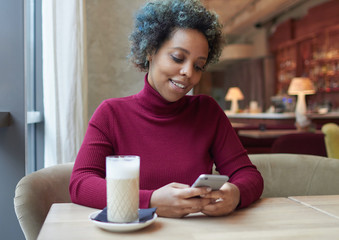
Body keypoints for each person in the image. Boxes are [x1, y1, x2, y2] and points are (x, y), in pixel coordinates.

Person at [69, 0, 263, 218]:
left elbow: (248, 175)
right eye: (178, 58)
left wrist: (235, 194)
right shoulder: (111, 114)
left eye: (199, 66)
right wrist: (149, 201)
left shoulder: (207, 112)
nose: (189, 72)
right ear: (151, 51)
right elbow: (80, 183)